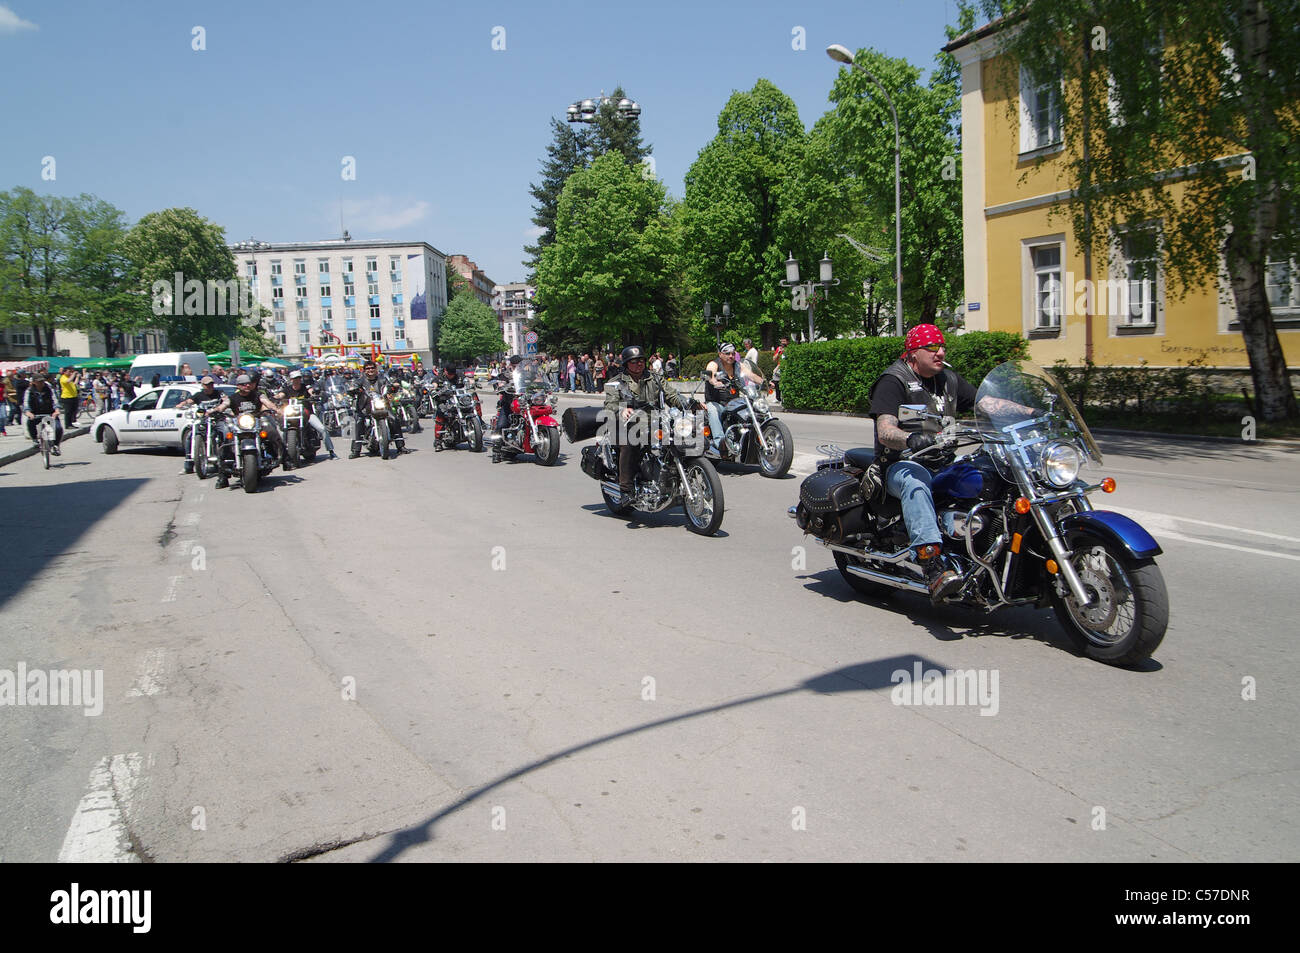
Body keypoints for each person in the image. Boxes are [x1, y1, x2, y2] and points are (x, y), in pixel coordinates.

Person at [867, 324, 979, 603]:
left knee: (987, 473)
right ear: (914, 353)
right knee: (915, 482)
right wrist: (909, 439)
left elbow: (987, 403)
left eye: (942, 346)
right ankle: (932, 567)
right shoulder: (893, 381)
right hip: (900, 464)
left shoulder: (948, 380)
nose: (940, 352)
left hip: (944, 462)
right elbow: (885, 430)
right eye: (932, 348)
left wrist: (1025, 410)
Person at [603, 345, 691, 502]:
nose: (639, 364)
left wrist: (688, 403)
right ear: (626, 364)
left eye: (641, 361)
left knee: (681, 437)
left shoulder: (655, 378)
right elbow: (610, 404)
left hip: (655, 421)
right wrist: (621, 410)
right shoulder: (616, 382)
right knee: (629, 442)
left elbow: (671, 395)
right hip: (625, 424)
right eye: (634, 361)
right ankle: (626, 489)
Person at [210, 374, 285, 486]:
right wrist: (216, 410)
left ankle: (284, 458)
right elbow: (224, 405)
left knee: (272, 432)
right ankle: (222, 477)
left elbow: (267, 402)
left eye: (249, 383)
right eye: (244, 384)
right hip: (239, 425)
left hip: (256, 422)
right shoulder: (233, 398)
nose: (247, 386)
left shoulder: (258, 395)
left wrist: (276, 409)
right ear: (238, 386)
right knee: (225, 442)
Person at [702, 343, 763, 457]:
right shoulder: (714, 364)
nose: (731, 356)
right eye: (727, 353)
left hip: (733, 403)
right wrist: (714, 382)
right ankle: (721, 443)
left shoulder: (738, 365)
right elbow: (711, 374)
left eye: (733, 353)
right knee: (713, 411)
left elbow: (750, 375)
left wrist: (762, 382)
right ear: (720, 354)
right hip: (717, 402)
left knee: (749, 411)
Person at [348, 360, 405, 458]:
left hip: (381, 404)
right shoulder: (360, 381)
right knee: (359, 421)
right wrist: (354, 389)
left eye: (372, 368)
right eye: (368, 368)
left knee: (394, 419)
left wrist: (394, 387)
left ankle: (400, 447)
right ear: (364, 370)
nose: (370, 370)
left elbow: (389, 387)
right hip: (365, 406)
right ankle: (356, 450)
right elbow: (353, 388)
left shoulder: (382, 379)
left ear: (376, 369)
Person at [277, 369, 337, 460]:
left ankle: (331, 451)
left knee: (322, 428)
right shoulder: (287, 389)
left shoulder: (305, 387)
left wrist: (314, 394)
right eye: (294, 378)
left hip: (306, 413)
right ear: (291, 379)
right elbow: (281, 395)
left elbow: (311, 391)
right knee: (280, 431)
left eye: (298, 378)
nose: (296, 380)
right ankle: (281, 454)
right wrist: (275, 397)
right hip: (291, 414)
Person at [175, 376, 226, 473]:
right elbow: (189, 401)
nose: (210, 386)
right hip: (204, 421)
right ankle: (188, 465)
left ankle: (224, 461)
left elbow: (226, 400)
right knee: (190, 437)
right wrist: (182, 404)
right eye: (207, 385)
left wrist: (224, 405)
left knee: (225, 432)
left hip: (217, 419)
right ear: (203, 385)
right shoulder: (198, 395)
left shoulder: (219, 393)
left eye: (211, 384)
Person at [22, 374, 63, 453]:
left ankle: (55, 446)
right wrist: (28, 412)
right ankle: (34, 440)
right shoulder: (29, 391)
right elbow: (26, 403)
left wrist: (57, 410)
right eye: (39, 381)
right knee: (30, 422)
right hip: (35, 413)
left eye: (42, 381)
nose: (41, 383)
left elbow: (55, 400)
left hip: (49, 413)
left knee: (58, 428)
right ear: (34, 382)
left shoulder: (49, 389)